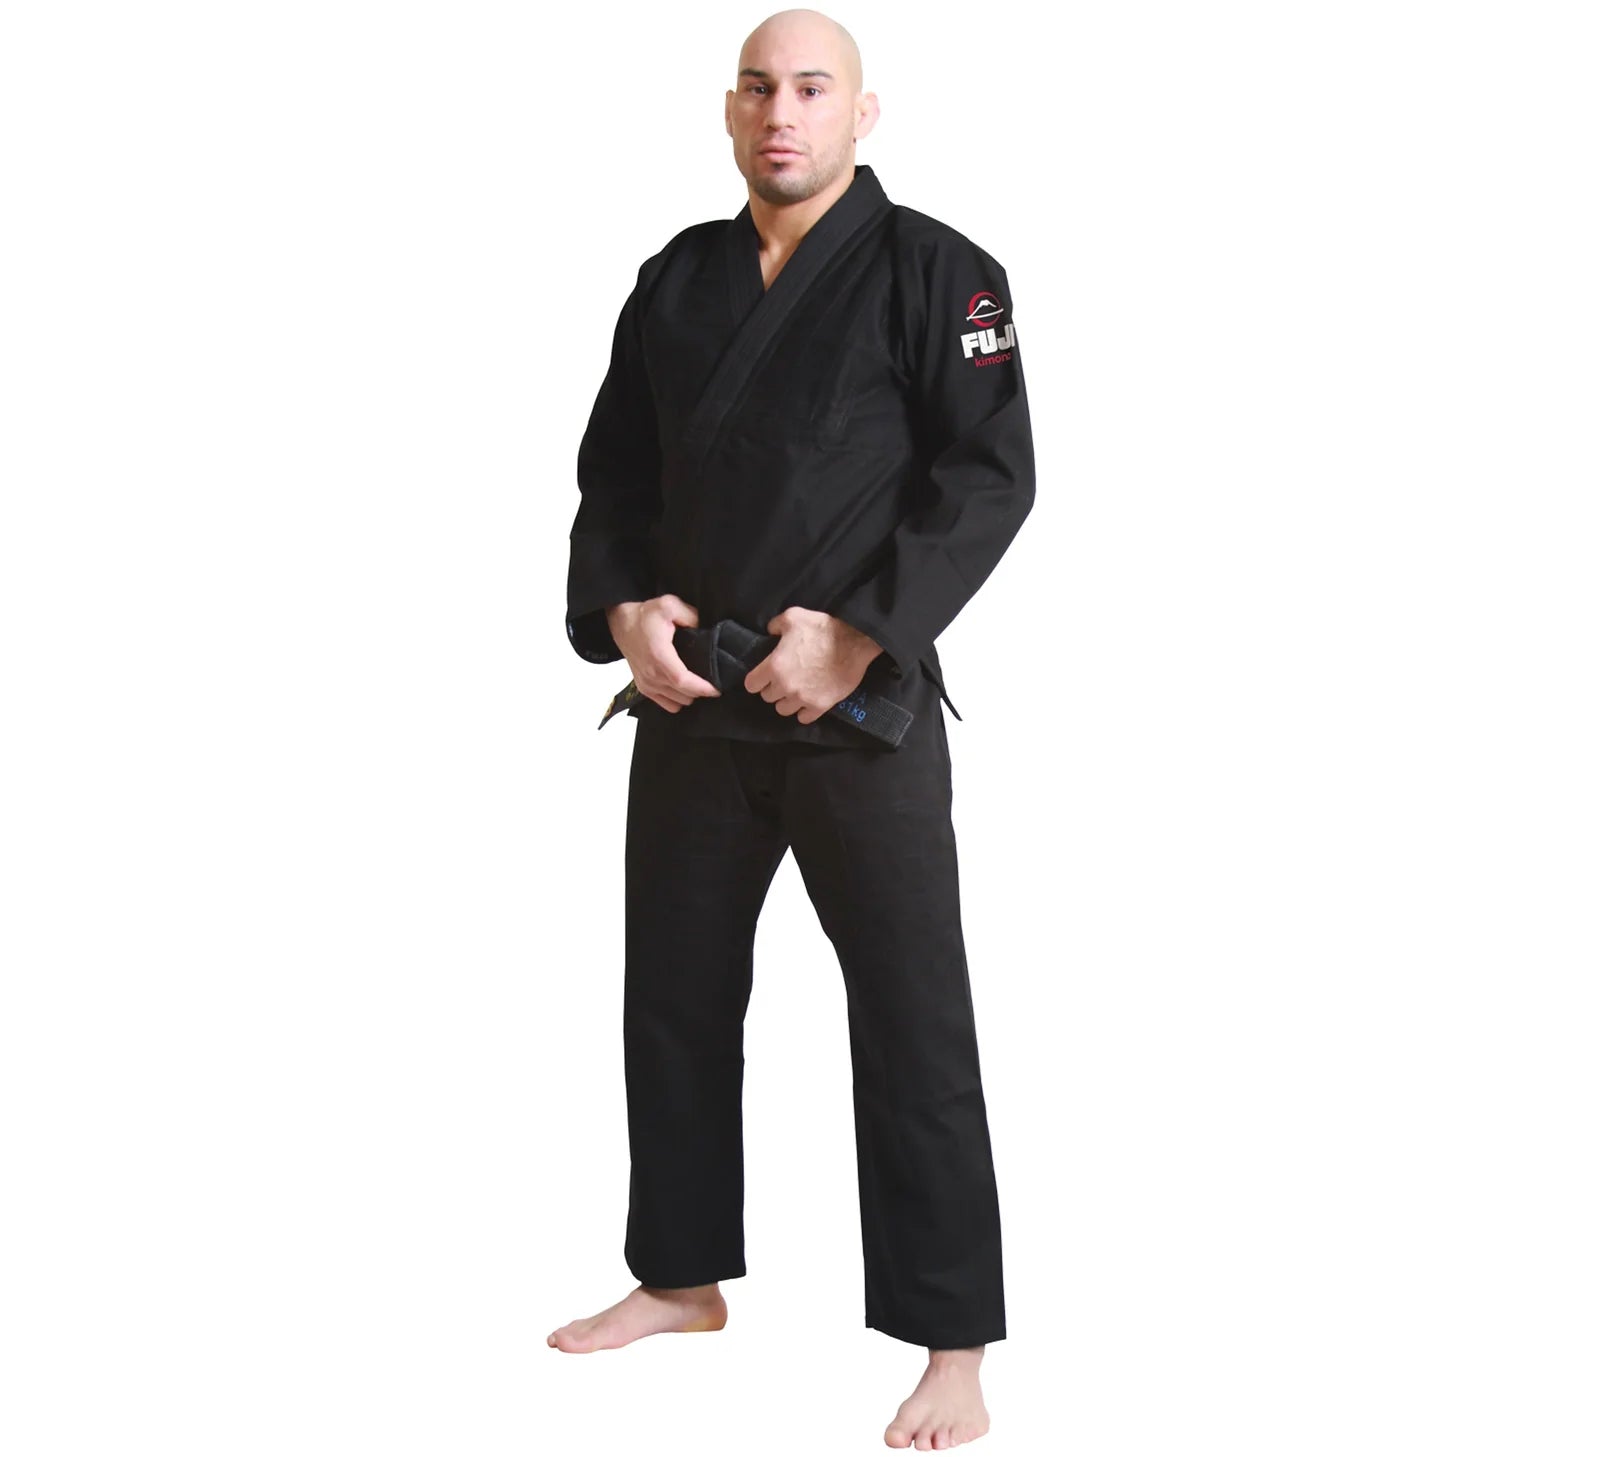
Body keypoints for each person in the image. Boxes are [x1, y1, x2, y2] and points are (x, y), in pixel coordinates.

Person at [548, 9, 1035, 1449]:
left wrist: (862, 632)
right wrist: (626, 609)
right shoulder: (675, 277)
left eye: (814, 89)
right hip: (694, 701)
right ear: (728, 110)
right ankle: (680, 1274)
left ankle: (953, 1342)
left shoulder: (941, 272)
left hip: (856, 715)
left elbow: (990, 477)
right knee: (674, 997)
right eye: (760, 89)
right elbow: (614, 472)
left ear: (862, 113)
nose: (784, 114)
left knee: (912, 1017)